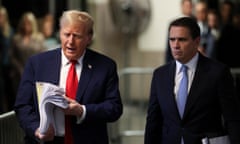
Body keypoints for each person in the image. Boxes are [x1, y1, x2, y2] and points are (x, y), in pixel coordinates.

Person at [14, 10, 123, 144]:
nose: (70, 41)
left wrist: (82, 111)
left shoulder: (105, 66)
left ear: (89, 38)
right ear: (60, 33)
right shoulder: (37, 64)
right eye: (66, 34)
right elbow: (22, 105)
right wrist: (37, 129)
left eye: (77, 36)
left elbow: (114, 108)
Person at [144, 17, 240, 144]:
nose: (175, 45)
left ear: (197, 41)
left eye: (182, 40)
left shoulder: (218, 73)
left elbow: (232, 118)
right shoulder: (160, 75)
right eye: (172, 40)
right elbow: (153, 121)